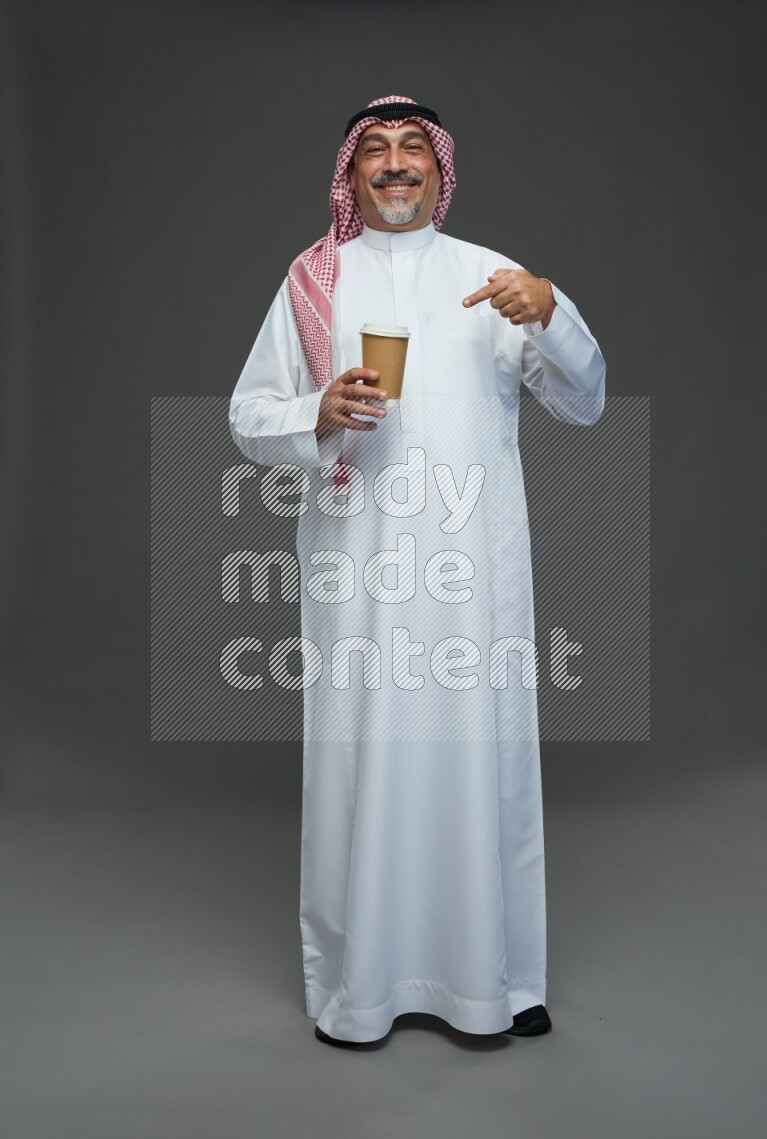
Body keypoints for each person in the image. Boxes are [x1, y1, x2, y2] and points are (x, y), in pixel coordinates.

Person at [228, 95, 606, 1047]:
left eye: (412, 150)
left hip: (473, 576)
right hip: (357, 574)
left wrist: (554, 314)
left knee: (486, 763)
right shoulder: (316, 279)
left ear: (440, 170)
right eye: (375, 153)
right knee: (362, 758)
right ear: (351, 177)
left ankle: (502, 981)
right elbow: (248, 415)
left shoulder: (495, 279)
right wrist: (319, 408)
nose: (396, 166)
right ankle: (364, 986)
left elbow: (585, 401)